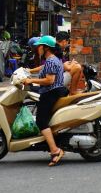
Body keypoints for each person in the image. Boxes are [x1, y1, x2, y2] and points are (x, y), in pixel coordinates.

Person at [23, 35, 68, 166]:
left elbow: (49, 80)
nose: (38, 49)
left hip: (51, 93)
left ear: (46, 48)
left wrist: (31, 80)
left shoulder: (51, 61)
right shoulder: (52, 60)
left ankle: (55, 150)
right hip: (54, 91)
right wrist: (29, 72)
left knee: (41, 121)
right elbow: (43, 70)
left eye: (40, 47)